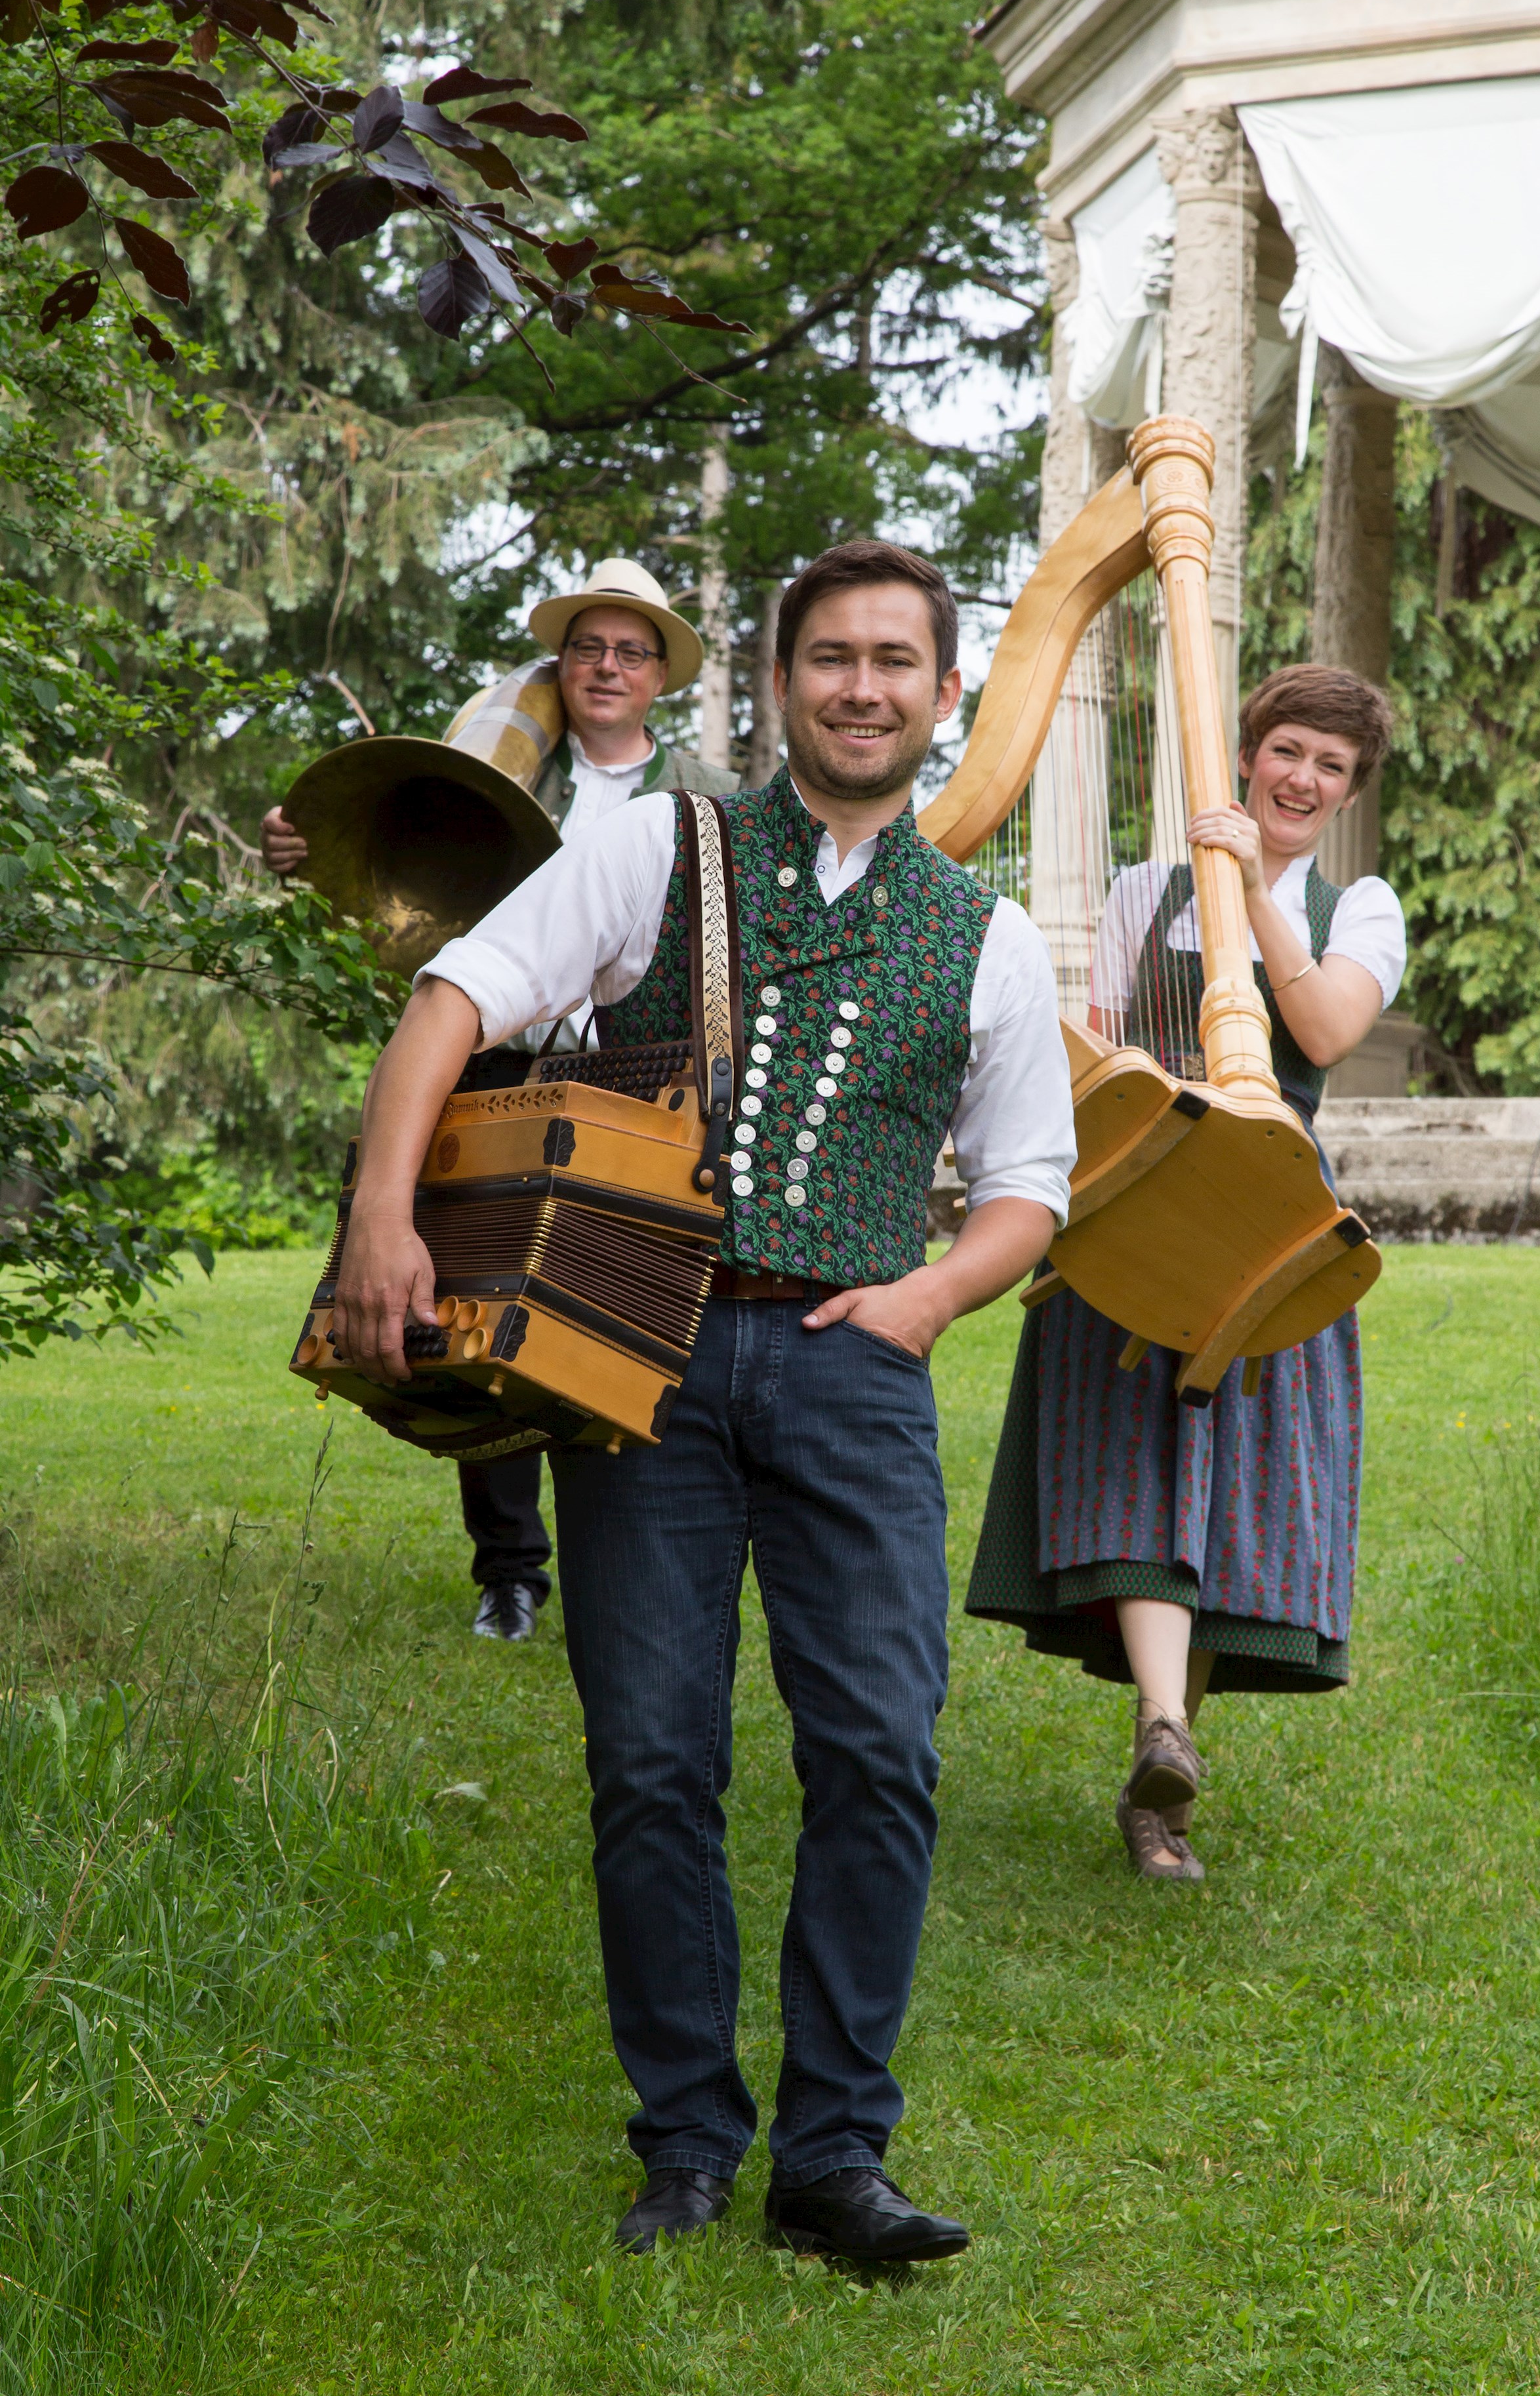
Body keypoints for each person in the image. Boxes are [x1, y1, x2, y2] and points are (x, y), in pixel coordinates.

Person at [332, 538, 1076, 2262]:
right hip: (641, 1354)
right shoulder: (649, 850)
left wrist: (926, 1300)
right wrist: (383, 1215)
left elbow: (1030, 1184)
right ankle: (683, 2143)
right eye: (832, 658)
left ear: (943, 694)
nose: (865, 686)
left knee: (878, 1753)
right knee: (652, 1763)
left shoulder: (991, 936)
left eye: (898, 660)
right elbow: (455, 1000)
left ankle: (832, 2160)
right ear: (777, 683)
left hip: (855, 1373)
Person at [966, 662, 1405, 1882]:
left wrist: (1252, 893)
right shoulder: (1136, 892)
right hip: (1140, 1204)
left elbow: (1322, 1034)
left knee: (1224, 1497)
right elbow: (1106, 1046)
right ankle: (1164, 1738)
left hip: (1267, 1227)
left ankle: (1164, 1769)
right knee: (1136, 1469)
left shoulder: (1359, 908)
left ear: (1348, 788)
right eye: (1288, 752)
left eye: (1331, 765)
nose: (1304, 779)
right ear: (1247, 753)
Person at [261, 560, 736, 1646]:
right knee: (473, 1296)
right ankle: (512, 1572)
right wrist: (299, 854)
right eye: (587, 648)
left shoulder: (705, 788)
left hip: (623, 1069)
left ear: (661, 674)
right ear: (561, 664)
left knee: (610, 1297)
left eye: (630, 652)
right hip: (488, 1059)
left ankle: (640, 1545)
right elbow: (400, 893)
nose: (605, 668)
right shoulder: (502, 762)